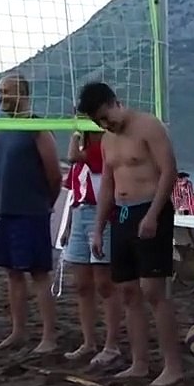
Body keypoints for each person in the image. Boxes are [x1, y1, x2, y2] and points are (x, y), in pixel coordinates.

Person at [79, 81, 184, 386]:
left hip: (150, 209)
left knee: (154, 290)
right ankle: (139, 362)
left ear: (116, 102)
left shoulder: (148, 126)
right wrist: (98, 228)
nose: (105, 123)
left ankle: (173, 366)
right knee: (126, 291)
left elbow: (169, 170)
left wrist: (153, 214)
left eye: (105, 116)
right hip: (122, 214)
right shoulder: (108, 140)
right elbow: (108, 184)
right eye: (98, 121)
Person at [0, 74, 63, 353]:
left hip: (31, 211)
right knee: (12, 273)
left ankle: (48, 337)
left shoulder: (36, 127)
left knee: (39, 274)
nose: (1, 97)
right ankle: (18, 331)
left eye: (6, 92)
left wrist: (45, 203)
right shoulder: (3, 127)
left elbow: (55, 175)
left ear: (23, 94)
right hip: (6, 211)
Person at [58, 126, 124, 369]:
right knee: (82, 284)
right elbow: (74, 193)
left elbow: (73, 155)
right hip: (80, 213)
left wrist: (75, 134)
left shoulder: (102, 148)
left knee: (104, 283)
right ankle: (89, 342)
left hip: (102, 213)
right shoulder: (87, 155)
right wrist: (66, 227)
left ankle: (112, 344)